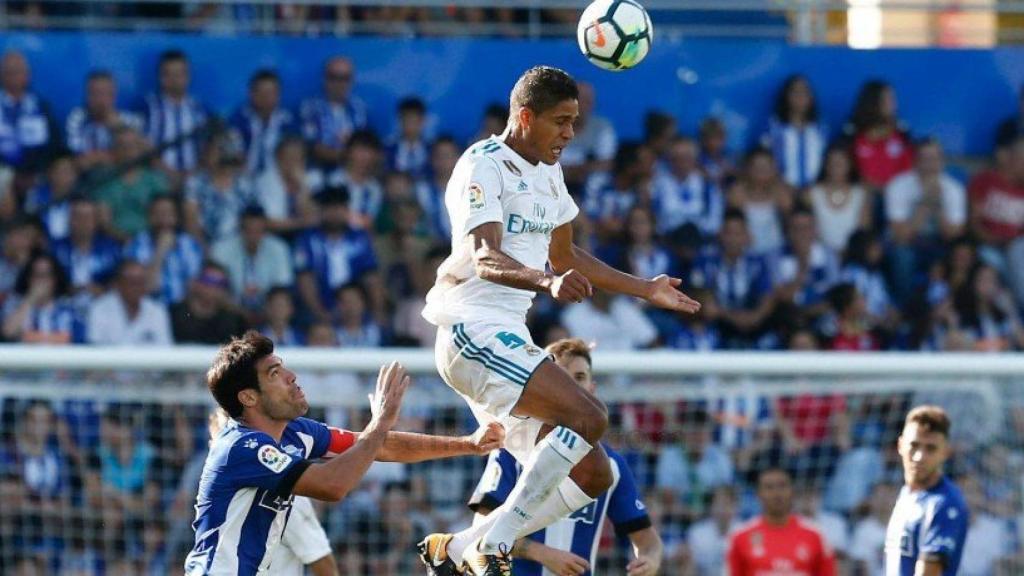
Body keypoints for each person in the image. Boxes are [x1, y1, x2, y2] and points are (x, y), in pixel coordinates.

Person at [417, 66, 699, 576]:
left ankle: (466, 545)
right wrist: (544, 282)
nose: (571, 133)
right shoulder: (483, 164)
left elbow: (566, 255)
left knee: (596, 472)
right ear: (525, 116)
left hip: (506, 336)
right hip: (470, 329)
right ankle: (498, 540)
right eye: (562, 121)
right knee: (591, 416)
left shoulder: (549, 169)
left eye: (576, 121)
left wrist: (645, 289)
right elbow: (485, 256)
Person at [185, 331, 505, 575]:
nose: (291, 376)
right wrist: (379, 422)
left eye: (283, 367)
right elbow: (332, 485)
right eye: (274, 374)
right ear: (249, 398)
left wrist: (468, 444)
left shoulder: (297, 432)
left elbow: (377, 445)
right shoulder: (243, 446)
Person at [463, 338, 662, 576]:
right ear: (544, 388)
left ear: (592, 388)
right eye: (561, 377)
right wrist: (541, 553)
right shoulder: (511, 453)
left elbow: (648, 541)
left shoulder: (610, 465)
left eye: (579, 377)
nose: (571, 387)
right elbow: (479, 530)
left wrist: (650, 561)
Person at [884, 405, 968, 575]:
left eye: (930, 449)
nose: (919, 456)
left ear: (945, 452)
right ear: (900, 445)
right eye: (914, 445)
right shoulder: (907, 495)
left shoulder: (945, 504)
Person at [726, 467, 837, 575]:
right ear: (758, 494)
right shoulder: (740, 536)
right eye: (769, 487)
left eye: (782, 486)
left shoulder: (816, 535)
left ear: (792, 492)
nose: (776, 493)